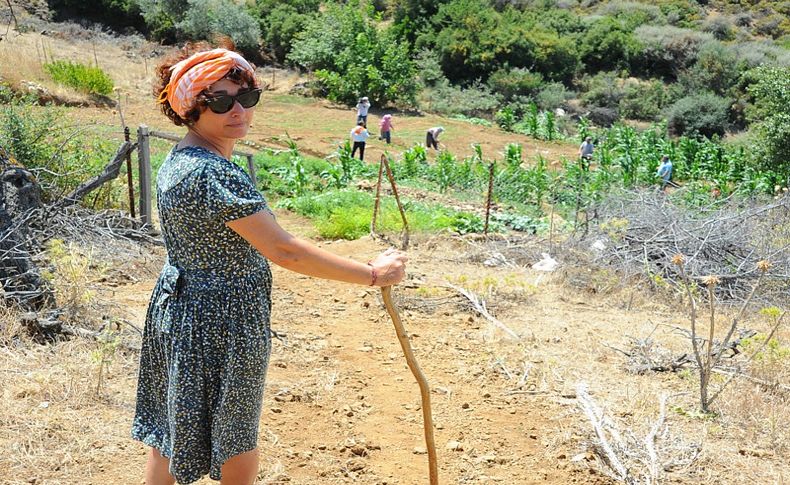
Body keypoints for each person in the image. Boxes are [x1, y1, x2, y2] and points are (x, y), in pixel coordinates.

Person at [132, 44, 407, 485]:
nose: (238, 110)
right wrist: (372, 274)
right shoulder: (213, 172)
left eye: (247, 97)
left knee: (172, 426)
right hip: (225, 316)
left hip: (181, 308)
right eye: (220, 101)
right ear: (190, 108)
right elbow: (285, 251)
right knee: (236, 434)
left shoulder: (181, 159)